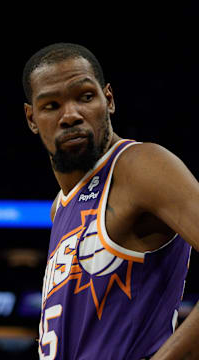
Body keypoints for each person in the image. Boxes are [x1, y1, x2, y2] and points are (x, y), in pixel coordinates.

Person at [22, 43, 199, 360]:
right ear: (31, 118)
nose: (71, 115)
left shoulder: (140, 166)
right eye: (51, 105)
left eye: (85, 97)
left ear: (109, 100)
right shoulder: (59, 207)